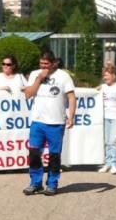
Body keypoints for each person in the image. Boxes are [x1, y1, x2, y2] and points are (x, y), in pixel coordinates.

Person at [21, 51, 77, 196]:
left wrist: (71, 116)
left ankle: (52, 183)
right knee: (33, 153)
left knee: (54, 156)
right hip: (37, 121)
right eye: (41, 63)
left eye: (46, 64)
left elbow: (71, 97)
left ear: (53, 63)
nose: (43, 66)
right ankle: (35, 183)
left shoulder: (63, 76)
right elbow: (28, 94)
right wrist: (39, 79)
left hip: (56, 122)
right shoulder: (35, 74)